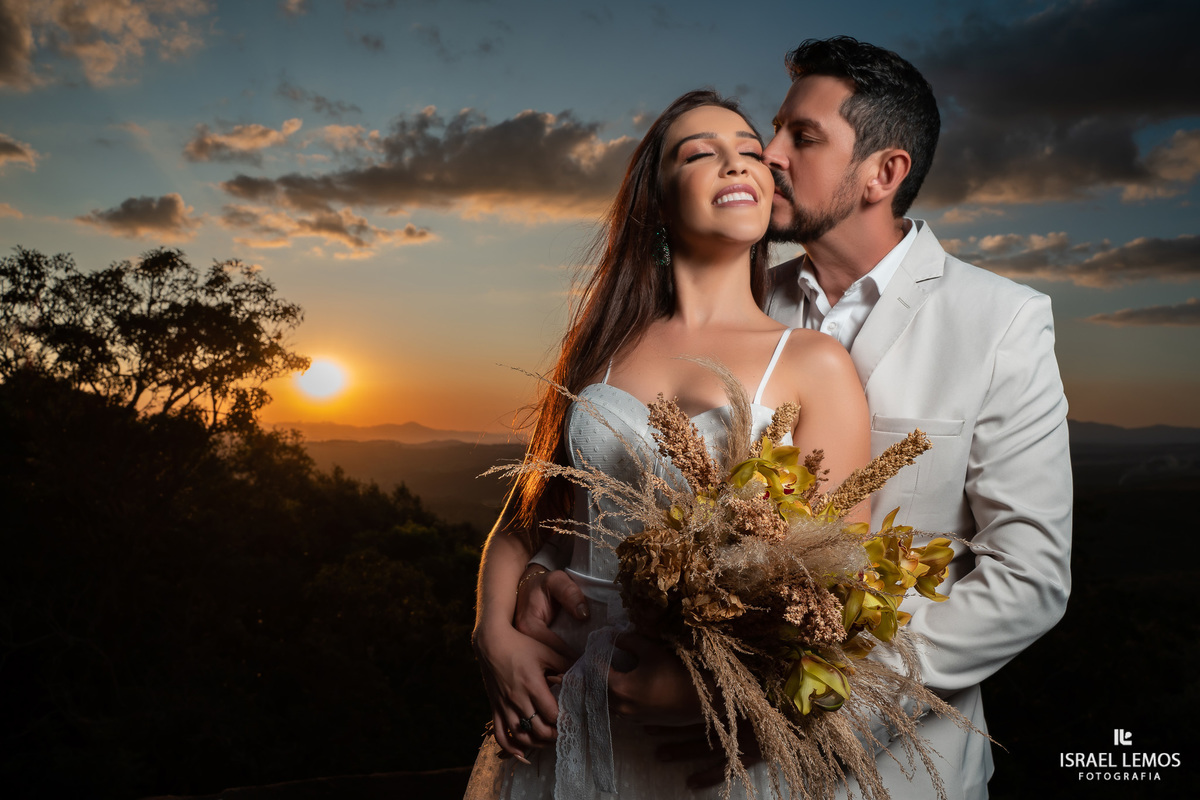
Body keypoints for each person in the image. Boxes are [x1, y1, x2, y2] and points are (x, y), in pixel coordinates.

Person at [510, 36, 1073, 800]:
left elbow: (1028, 576)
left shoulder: (999, 320)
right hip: (637, 717)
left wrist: (792, 703)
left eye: (799, 137)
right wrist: (518, 598)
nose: (769, 154)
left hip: (898, 761)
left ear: (884, 172)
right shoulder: (732, 290)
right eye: (770, 130)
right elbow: (596, 487)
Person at [467, 90, 871, 799]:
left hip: (693, 724)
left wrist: (712, 688)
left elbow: (838, 588)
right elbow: (528, 516)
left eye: (750, 152)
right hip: (559, 701)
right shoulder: (603, 346)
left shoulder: (814, 362)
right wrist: (492, 636)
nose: (737, 163)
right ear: (654, 199)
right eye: (700, 153)